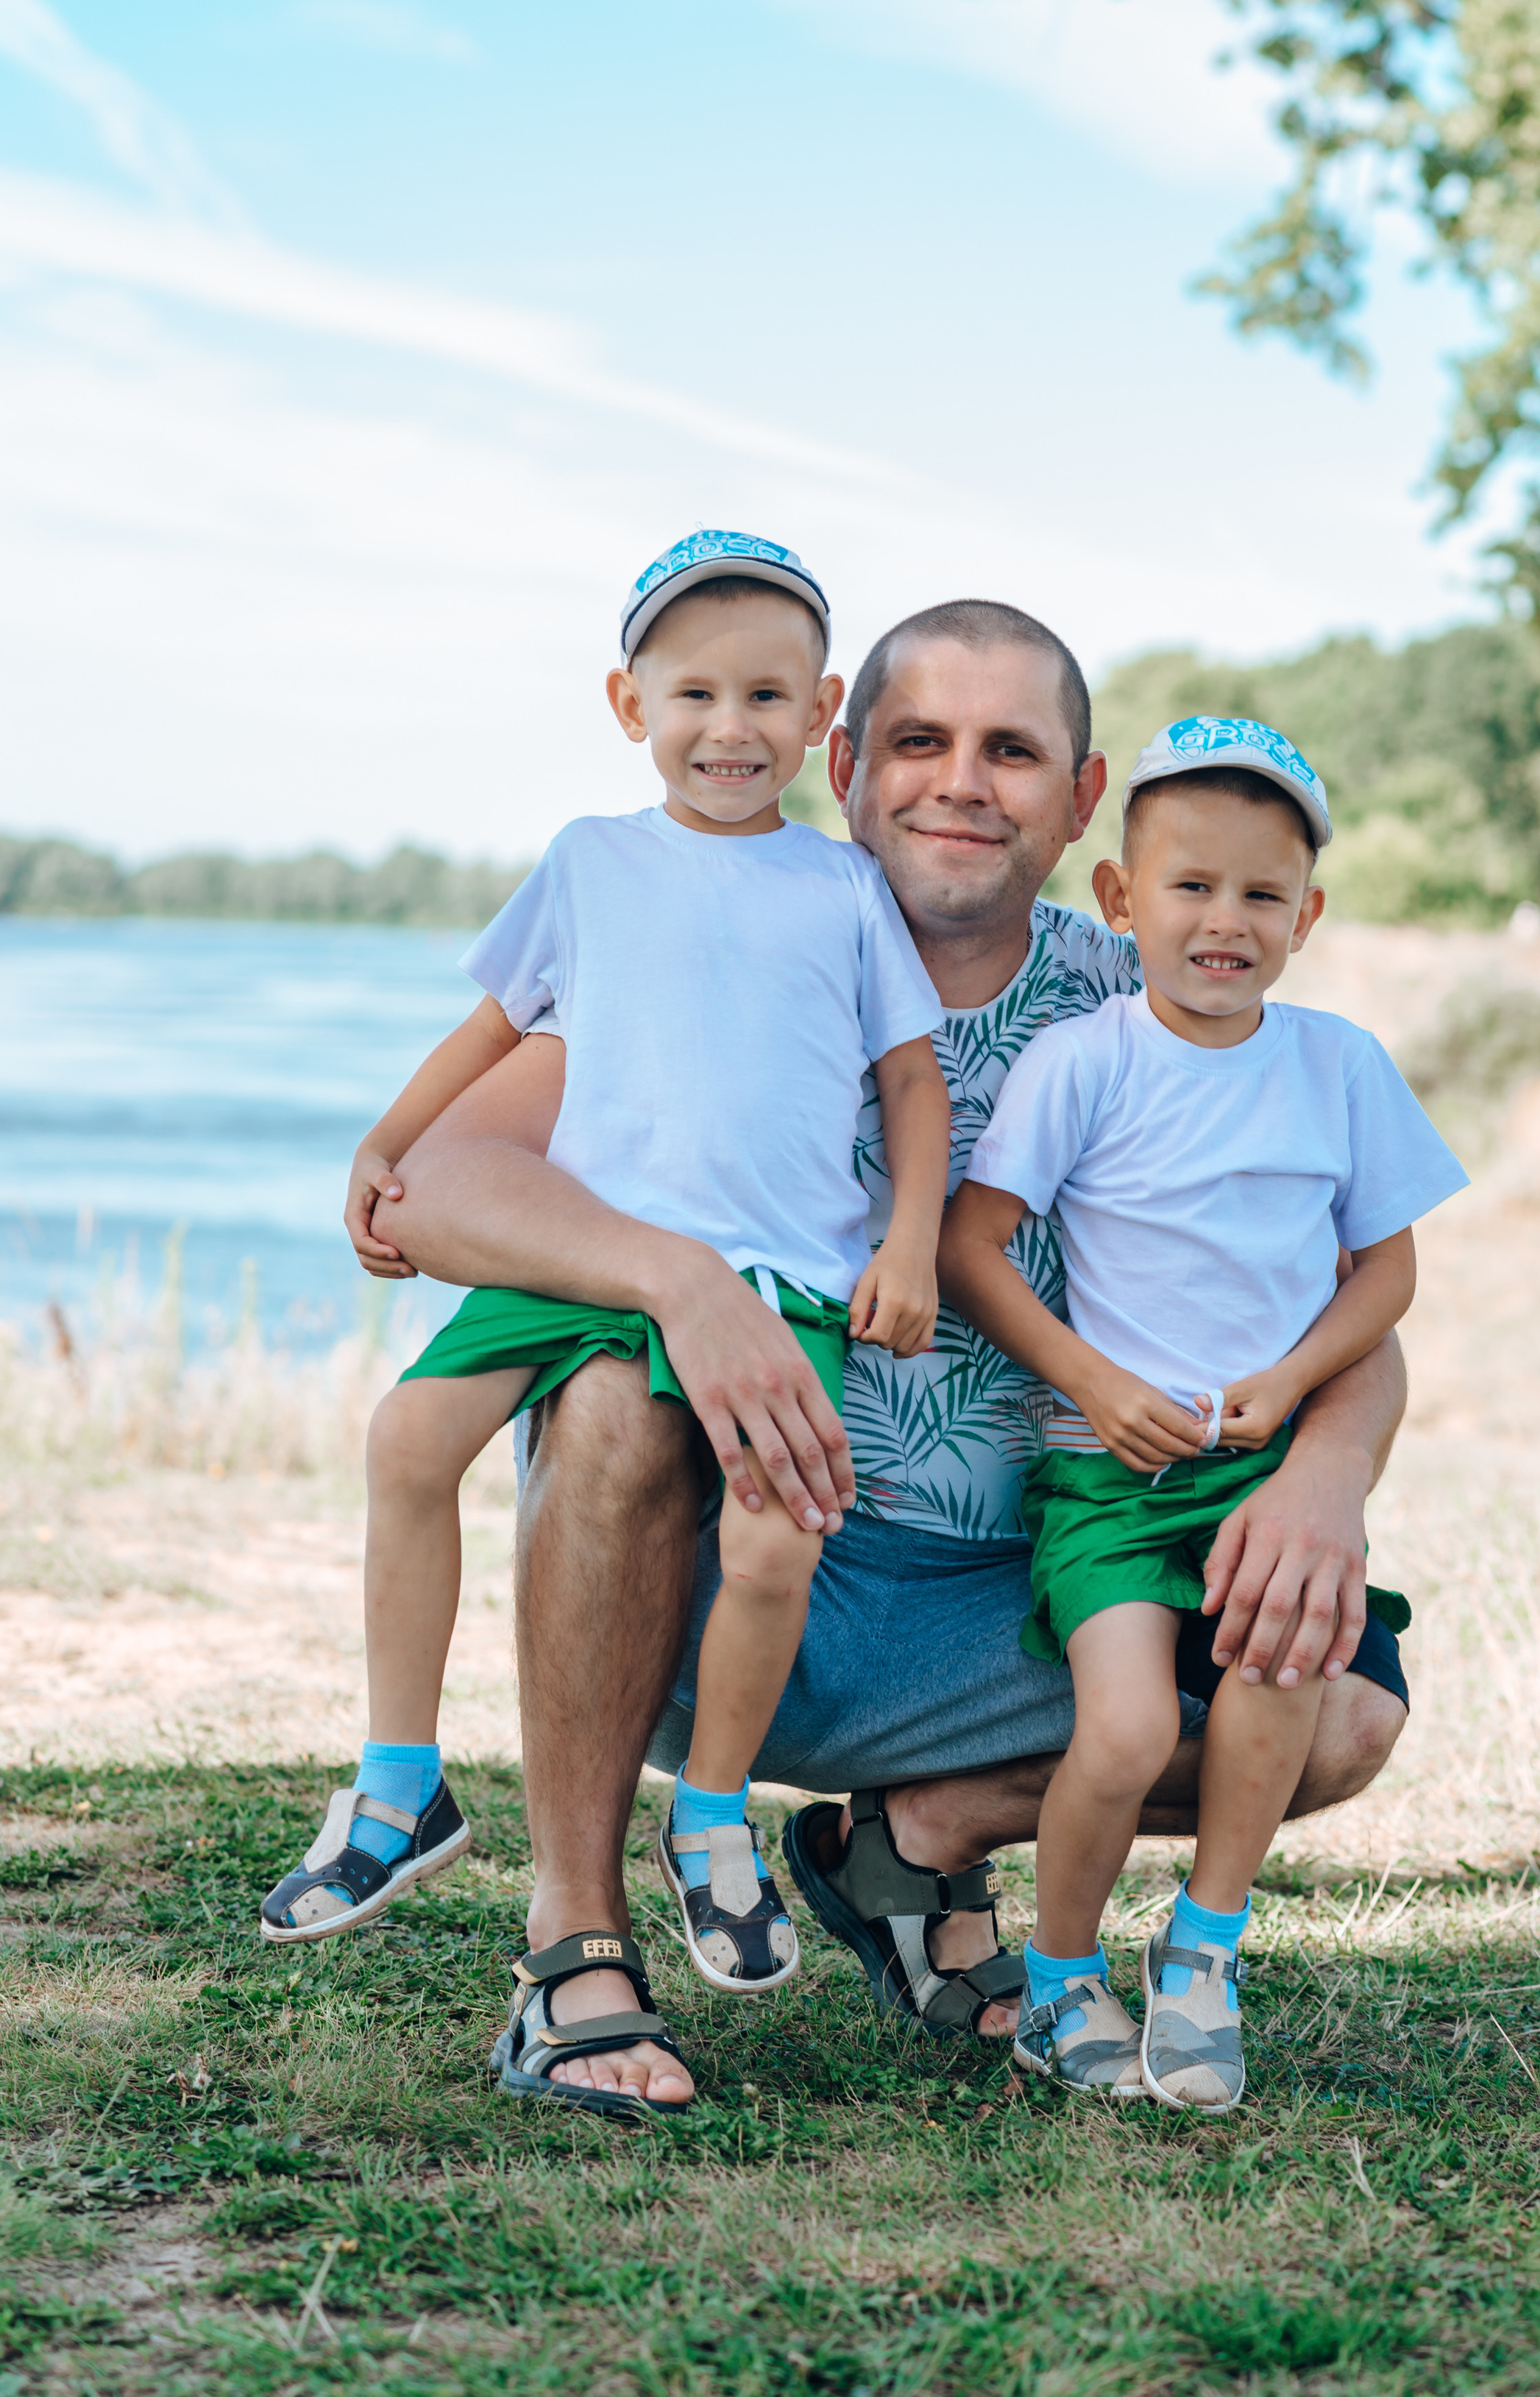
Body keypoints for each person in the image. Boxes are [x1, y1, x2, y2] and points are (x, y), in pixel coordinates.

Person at [352, 601, 1414, 2112]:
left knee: (1344, 1709)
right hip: (737, 1582)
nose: (959, 782)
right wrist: (680, 1281)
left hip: (1023, 1597)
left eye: (1010, 751)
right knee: (605, 1390)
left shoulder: (1163, 1000)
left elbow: (1355, 1313)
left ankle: (909, 1844)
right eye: (918, 741)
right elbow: (439, 1182)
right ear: (843, 760)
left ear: (1079, 797)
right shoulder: (734, 938)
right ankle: (574, 1947)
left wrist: (1325, 1475)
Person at [261, 537, 951, 2097]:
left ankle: (710, 1812)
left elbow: (909, 1082)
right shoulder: (588, 859)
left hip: (777, 1272)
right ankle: (398, 1784)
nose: (729, 726)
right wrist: (387, 1142)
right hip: (589, 1262)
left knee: (779, 1540)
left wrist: (904, 1241)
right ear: (625, 699)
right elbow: (497, 1022)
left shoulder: (838, 886)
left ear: (821, 712)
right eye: (692, 692)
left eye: (767, 695)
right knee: (405, 1437)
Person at [940, 718, 1465, 2107]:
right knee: (1117, 1732)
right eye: (1190, 886)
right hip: (1111, 1472)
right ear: (1121, 898)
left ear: (1307, 917)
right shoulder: (1085, 1061)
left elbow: (1390, 1270)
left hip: (1263, 1468)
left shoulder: (1337, 1065)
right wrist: (1094, 1383)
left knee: (1276, 1685)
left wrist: (1296, 1387)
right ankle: (1059, 1977)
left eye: (1260, 894)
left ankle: (1204, 1950)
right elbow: (971, 1244)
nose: (1223, 921)